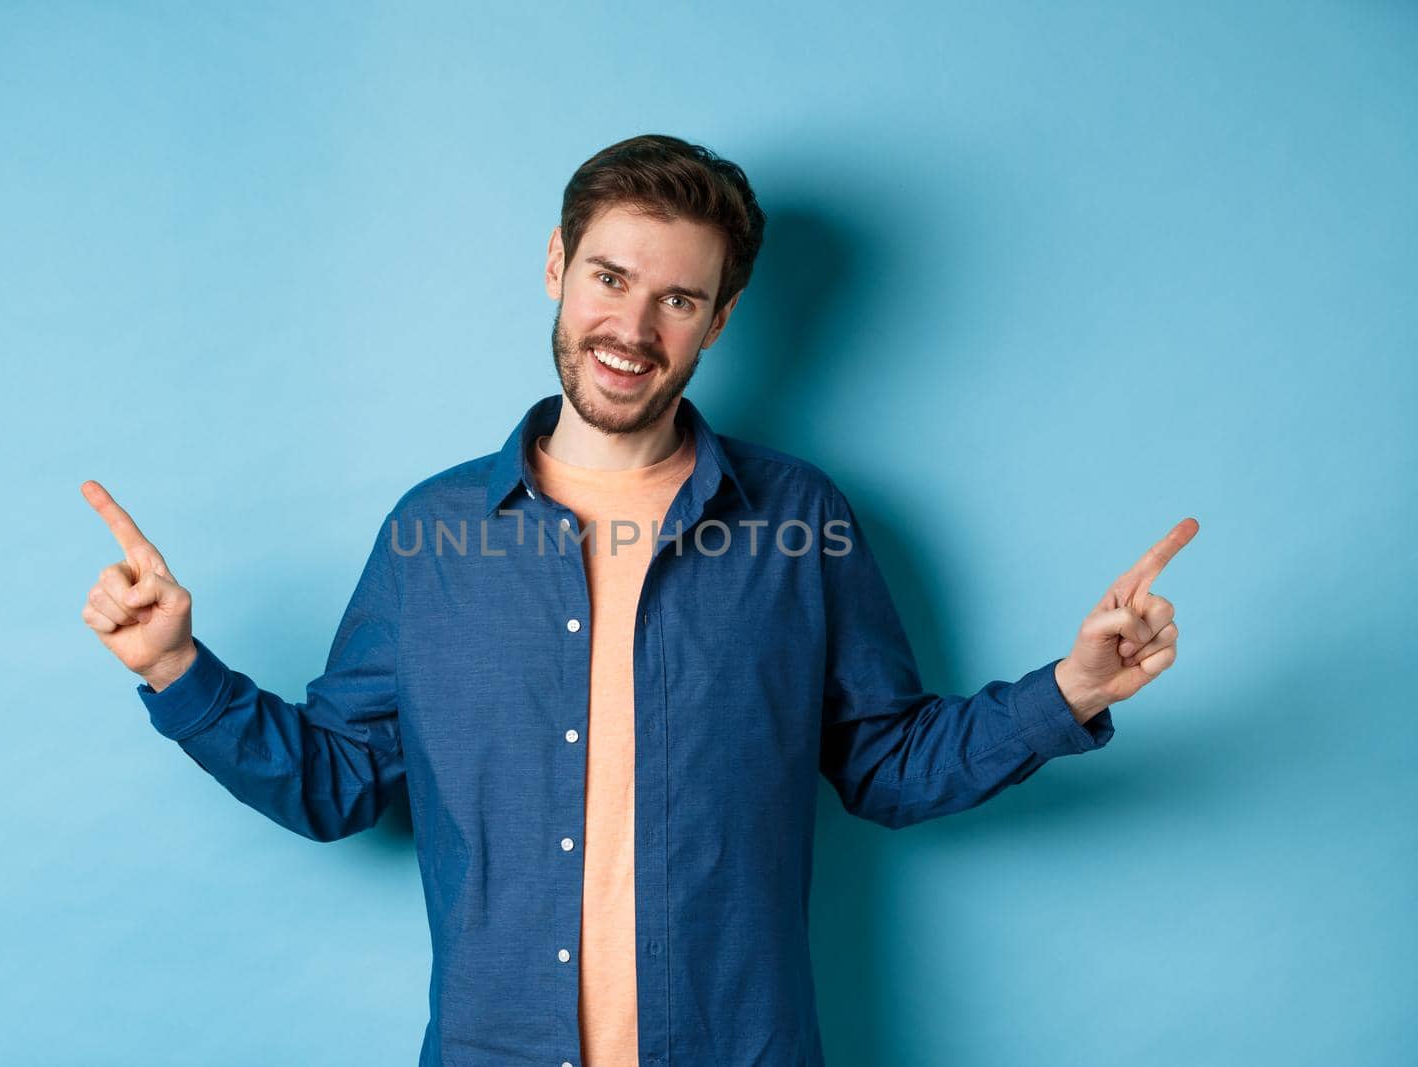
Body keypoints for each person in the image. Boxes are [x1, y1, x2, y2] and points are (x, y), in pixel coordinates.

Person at [79, 134, 1196, 1067]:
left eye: (678, 298)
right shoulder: (434, 535)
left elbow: (887, 760)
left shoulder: (797, 521)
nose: (633, 328)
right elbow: (335, 782)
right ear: (557, 263)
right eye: (610, 277)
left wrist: (1071, 687)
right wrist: (177, 669)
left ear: (719, 319)